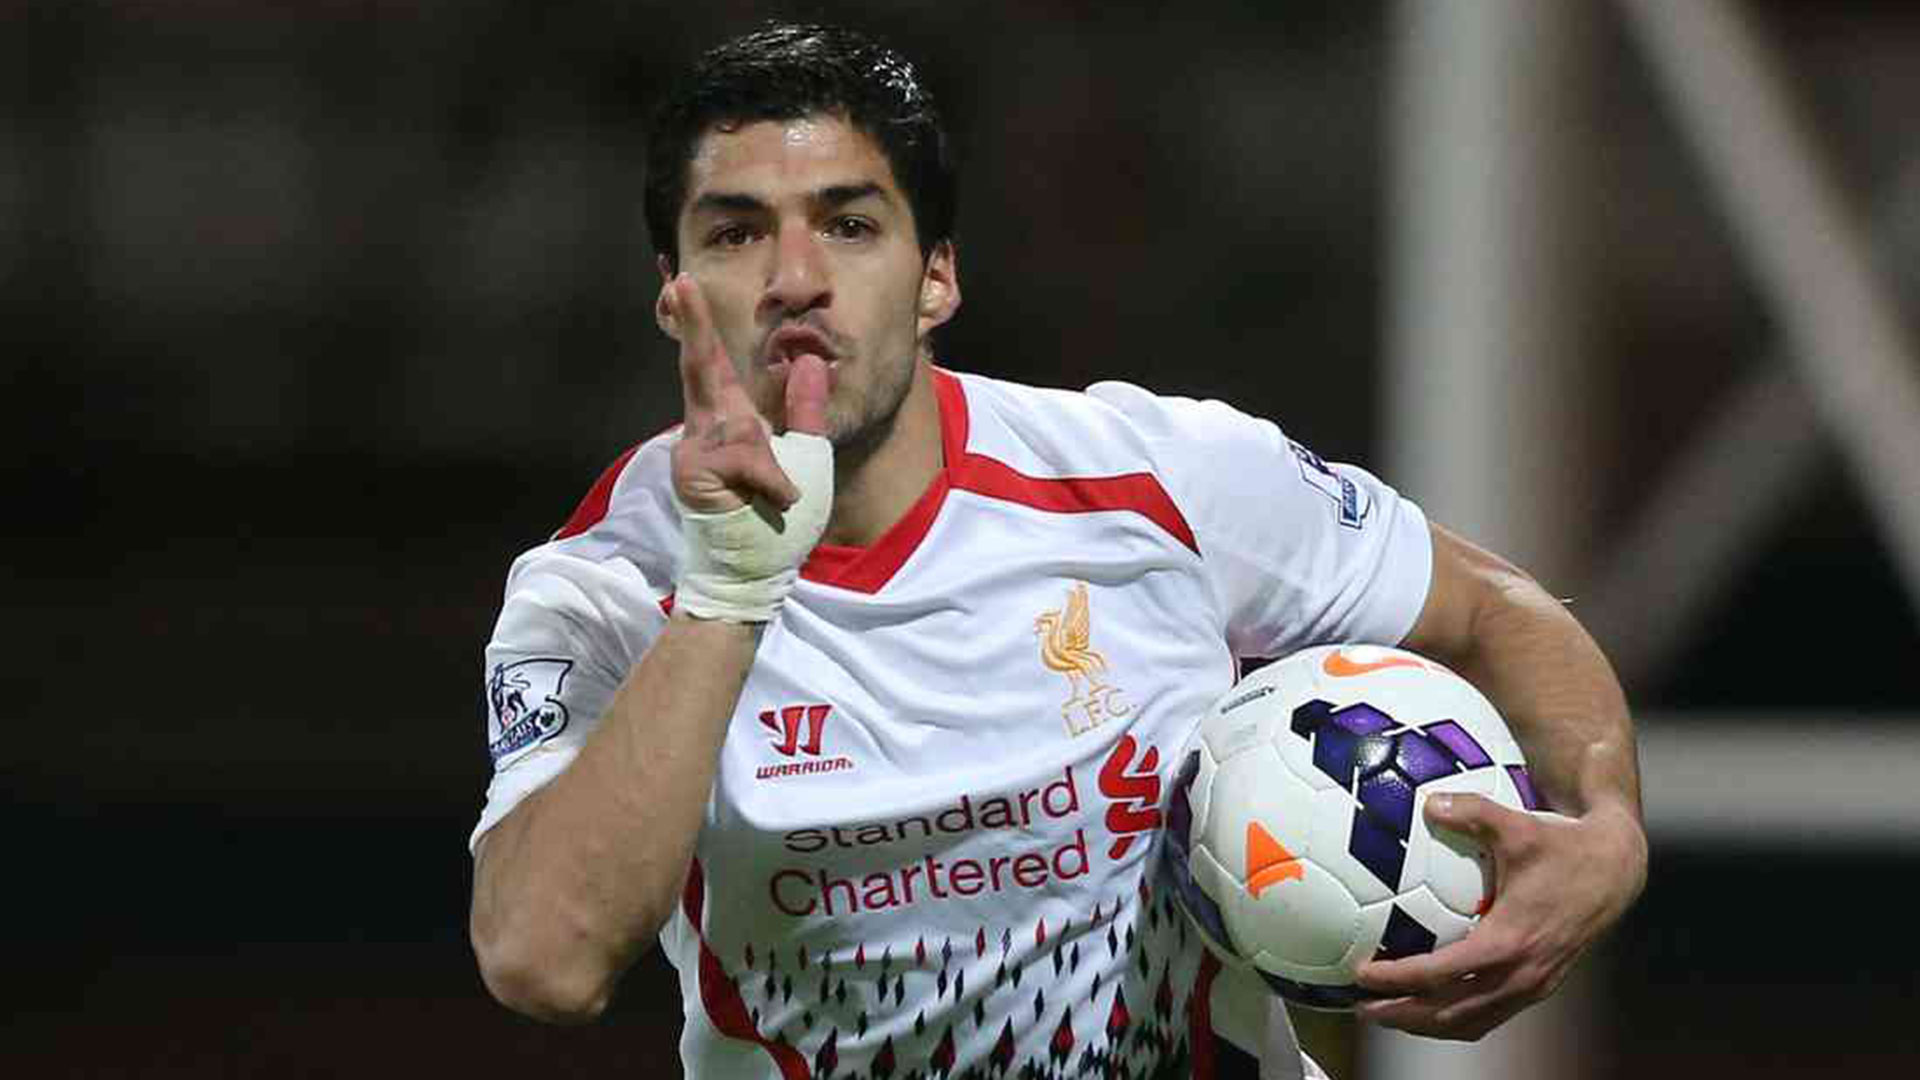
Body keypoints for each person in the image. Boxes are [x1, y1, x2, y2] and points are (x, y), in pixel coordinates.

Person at [465, 22, 1647, 1080]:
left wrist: (1605, 827)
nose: (796, 281)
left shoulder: (1157, 476)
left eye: (850, 225)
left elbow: (1493, 607)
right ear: (673, 292)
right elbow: (543, 960)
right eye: (735, 234)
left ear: (936, 276)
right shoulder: (605, 585)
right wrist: (727, 593)